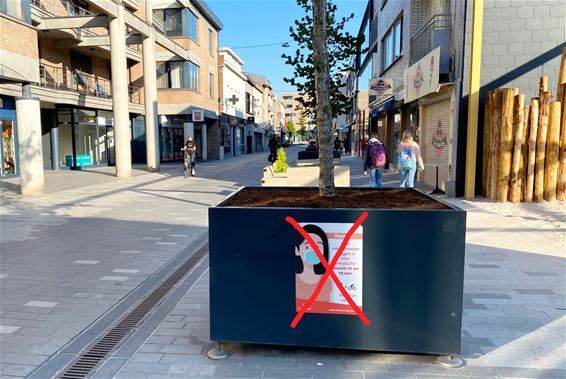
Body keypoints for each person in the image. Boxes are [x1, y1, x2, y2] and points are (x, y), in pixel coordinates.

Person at [295, 224, 332, 306]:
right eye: (308, 246)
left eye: (319, 246)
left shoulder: (327, 281)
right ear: (297, 250)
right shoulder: (293, 280)